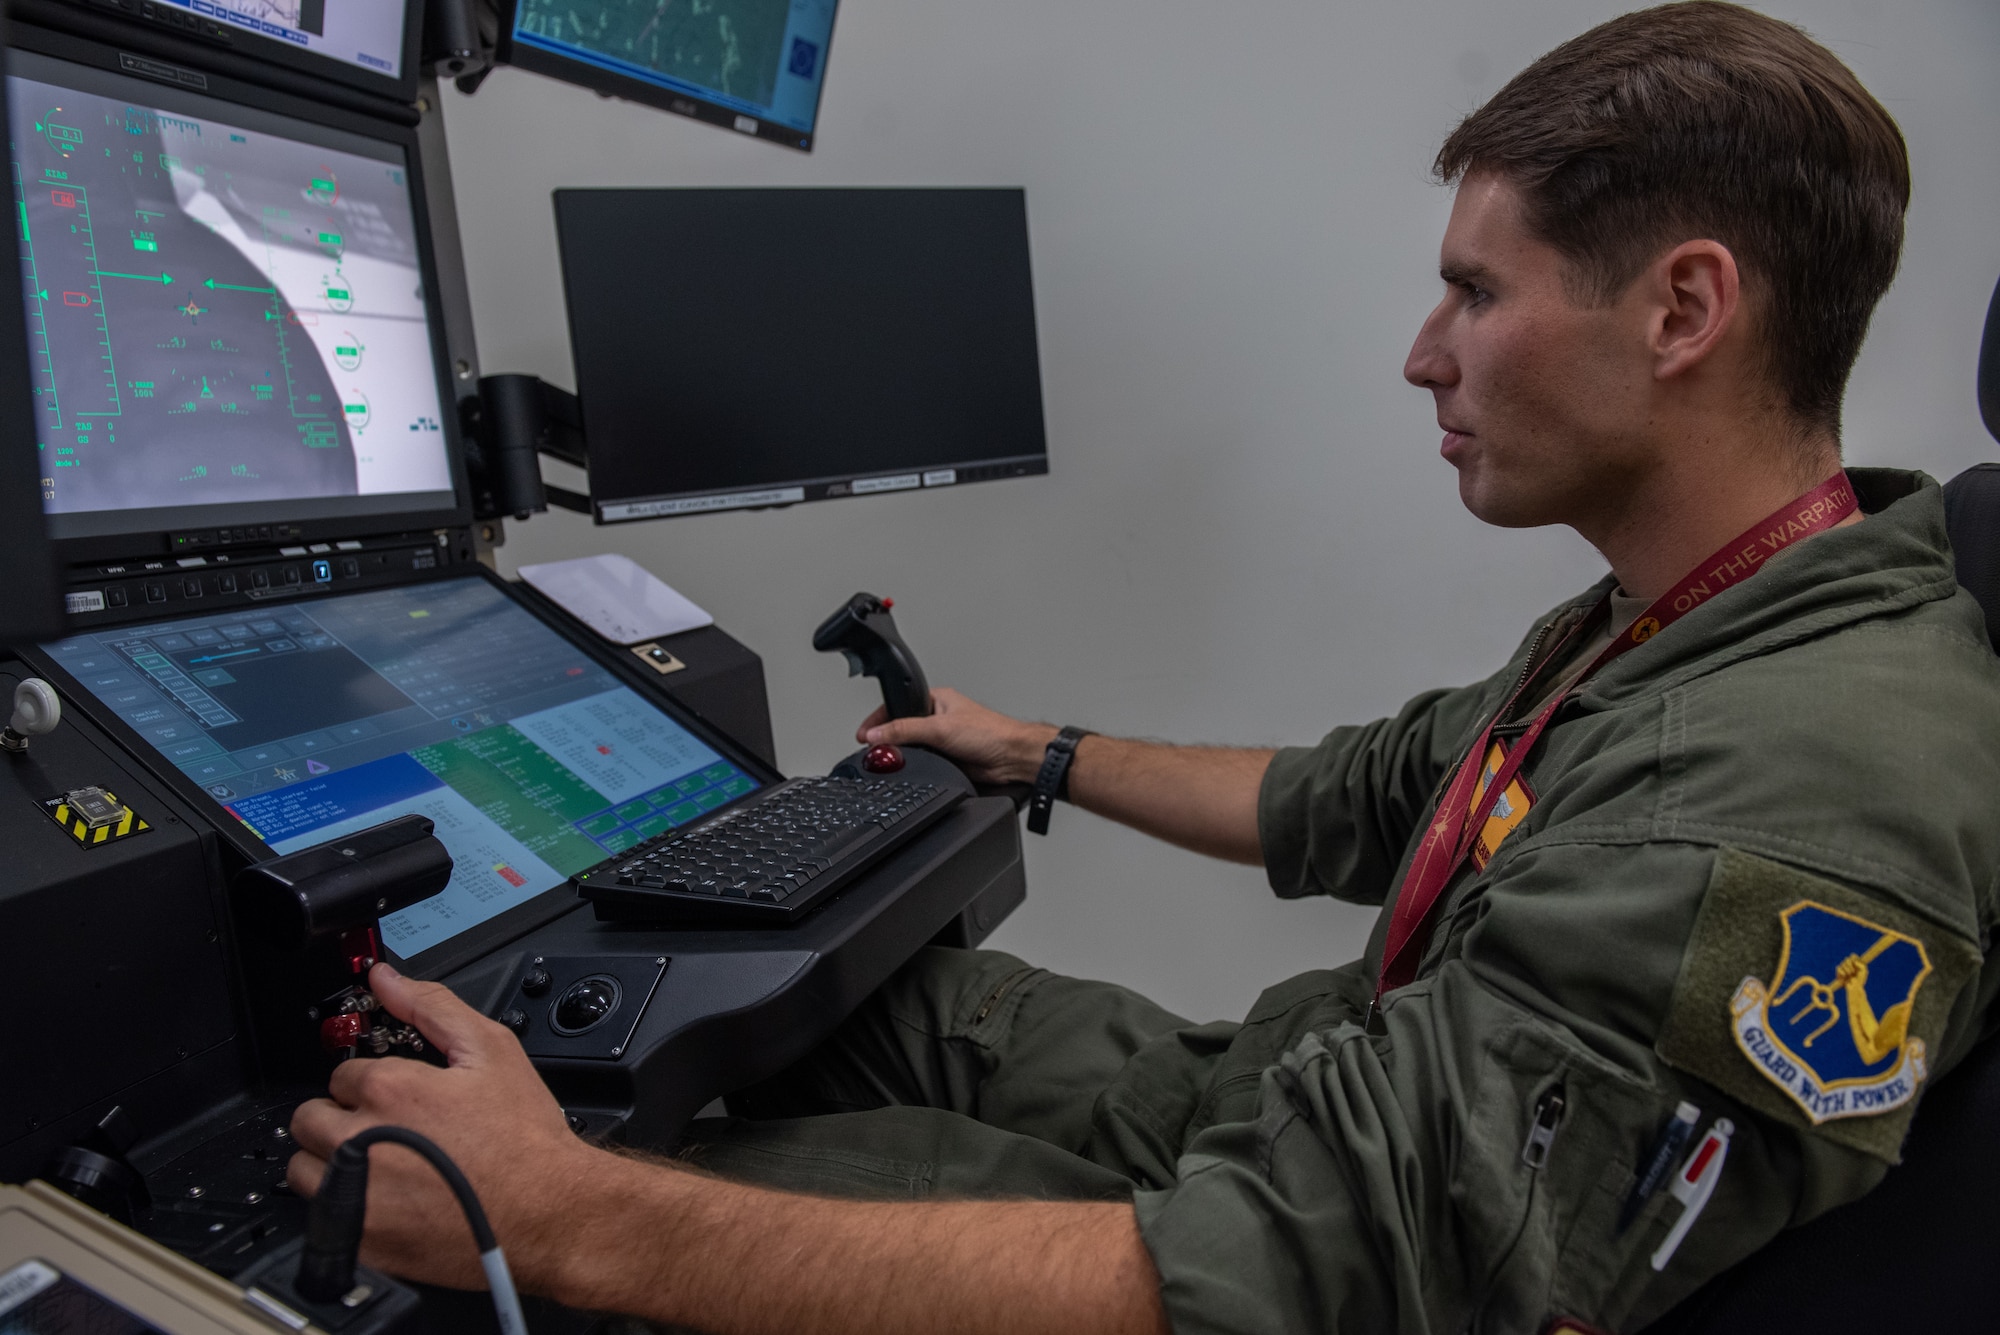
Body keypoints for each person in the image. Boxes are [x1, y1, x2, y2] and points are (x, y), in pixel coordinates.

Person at [287, 4, 2000, 1332]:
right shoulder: (1713, 609)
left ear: (1684, 313)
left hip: (1293, 1229)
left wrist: (568, 1223)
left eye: (1476, 292)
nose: (1423, 355)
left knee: (631, 1169)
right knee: (851, 1008)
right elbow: (1357, 794)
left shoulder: (1775, 797)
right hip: (1284, 1098)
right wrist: (1026, 749)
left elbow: (1298, 1279)